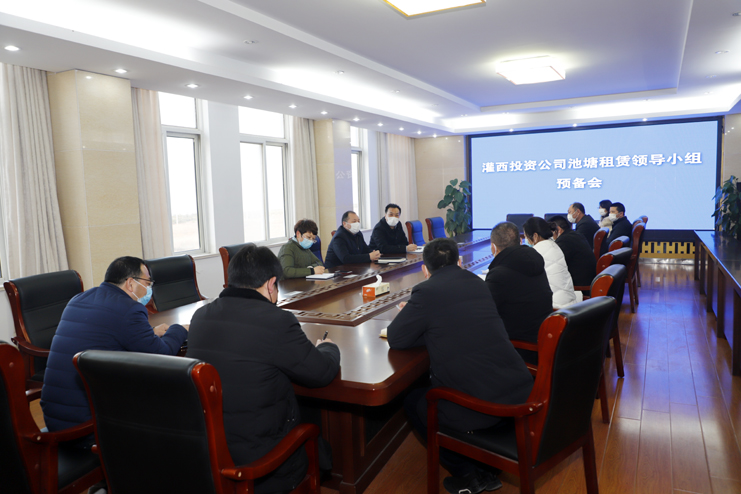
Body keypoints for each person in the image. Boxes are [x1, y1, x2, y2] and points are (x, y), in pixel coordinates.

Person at [187, 244, 340, 494]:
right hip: (264, 466)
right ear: (271, 285)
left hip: (210, 456)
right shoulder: (277, 321)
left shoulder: (201, 316)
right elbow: (321, 373)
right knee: (316, 434)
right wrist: (328, 347)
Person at [387, 238, 533, 494]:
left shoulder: (427, 291)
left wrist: (415, 318)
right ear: (459, 261)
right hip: (519, 392)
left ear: (425, 269)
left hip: (483, 407)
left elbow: (397, 338)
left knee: (414, 401)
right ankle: (487, 468)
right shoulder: (477, 282)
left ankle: (467, 474)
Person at [41, 256, 188, 433]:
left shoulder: (79, 299)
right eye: (148, 283)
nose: (149, 288)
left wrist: (151, 333)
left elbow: (108, 335)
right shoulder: (129, 309)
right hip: (89, 423)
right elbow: (162, 355)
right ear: (131, 283)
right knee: (170, 398)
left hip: (55, 415)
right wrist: (179, 329)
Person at [485, 222, 552, 365]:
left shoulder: (499, 275)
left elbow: (484, 311)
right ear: (520, 241)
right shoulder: (534, 259)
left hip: (519, 348)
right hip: (541, 337)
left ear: (493, 247)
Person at [523, 217, 578, 308]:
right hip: (569, 303)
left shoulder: (536, 252)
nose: (526, 240)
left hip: (554, 307)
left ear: (535, 236)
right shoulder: (554, 245)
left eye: (526, 236)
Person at [550, 215, 597, 292]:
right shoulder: (575, 235)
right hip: (588, 281)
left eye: (550, 232)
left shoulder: (564, 241)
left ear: (558, 230)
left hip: (580, 287)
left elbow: (553, 263)